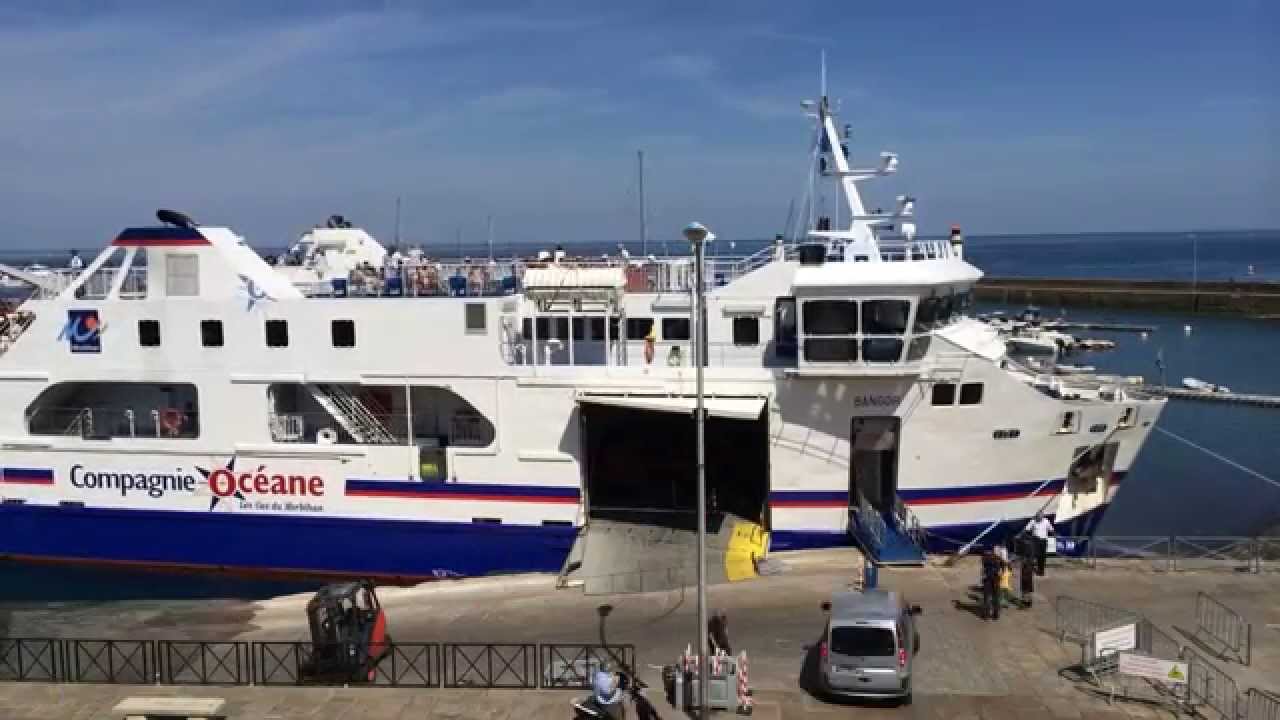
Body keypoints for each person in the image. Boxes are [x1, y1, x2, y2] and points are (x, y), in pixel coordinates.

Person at [1025, 512, 1055, 576]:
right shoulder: (1033, 521)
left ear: (1042, 516)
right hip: (1035, 540)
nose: (1039, 519)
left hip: (1043, 541)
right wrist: (1031, 535)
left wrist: (1053, 535)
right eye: (1038, 517)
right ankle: (1030, 569)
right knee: (1034, 555)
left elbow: (1051, 530)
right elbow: (1027, 530)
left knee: (1042, 556)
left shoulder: (1046, 521)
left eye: (1040, 517)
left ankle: (1041, 571)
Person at [980, 549, 1002, 621]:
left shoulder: (984, 558)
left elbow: (983, 570)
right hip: (996, 580)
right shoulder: (998, 558)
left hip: (988, 580)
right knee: (996, 597)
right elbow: (1001, 570)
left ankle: (986, 615)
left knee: (987, 597)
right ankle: (995, 614)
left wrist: (983, 576)